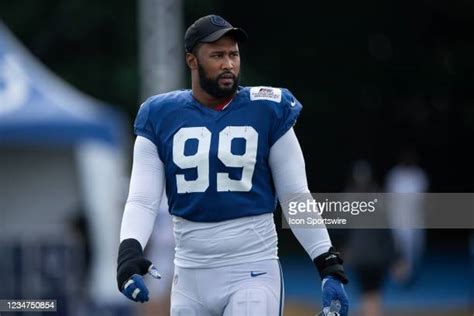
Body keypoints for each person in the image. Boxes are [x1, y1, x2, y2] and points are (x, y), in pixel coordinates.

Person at [116, 14, 349, 316]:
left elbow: (295, 196)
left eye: (233, 54)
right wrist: (128, 253)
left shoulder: (268, 108)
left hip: (251, 270)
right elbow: (143, 200)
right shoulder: (159, 115)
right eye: (217, 55)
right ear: (192, 61)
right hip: (189, 276)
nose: (228, 64)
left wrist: (328, 264)